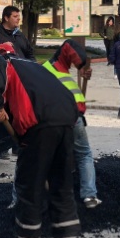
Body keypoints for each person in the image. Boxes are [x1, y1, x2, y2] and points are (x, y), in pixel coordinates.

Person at [0, 45, 81, 238]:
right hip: (66, 121)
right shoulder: (34, 67)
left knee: (30, 187)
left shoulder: (2, 61)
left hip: (39, 126)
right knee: (61, 185)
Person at [44, 40, 101, 208]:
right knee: (84, 155)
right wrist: (82, 64)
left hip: (59, 119)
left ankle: (53, 194)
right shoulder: (51, 69)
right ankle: (89, 196)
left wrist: (82, 70)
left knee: (52, 156)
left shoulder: (56, 70)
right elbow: (69, 46)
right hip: (71, 119)